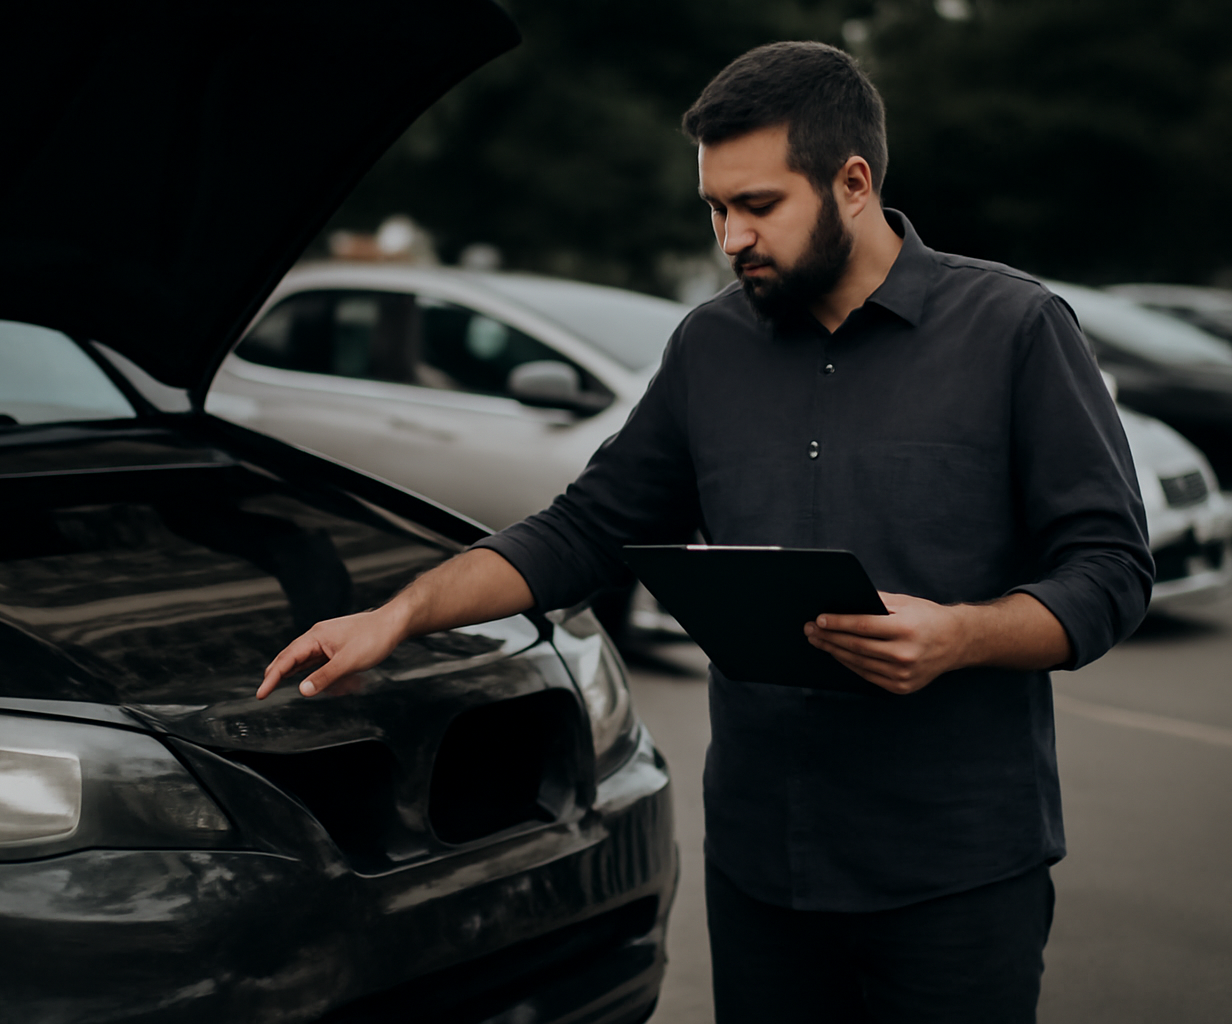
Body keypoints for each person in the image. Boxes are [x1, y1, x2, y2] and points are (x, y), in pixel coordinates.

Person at [258, 40, 1152, 1023]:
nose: (730, 237)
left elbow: (1109, 571)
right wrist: (398, 616)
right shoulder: (709, 348)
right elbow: (587, 527)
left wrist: (960, 635)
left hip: (959, 878)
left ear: (852, 182)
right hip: (763, 871)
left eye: (757, 205)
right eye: (715, 208)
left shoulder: (1017, 331)